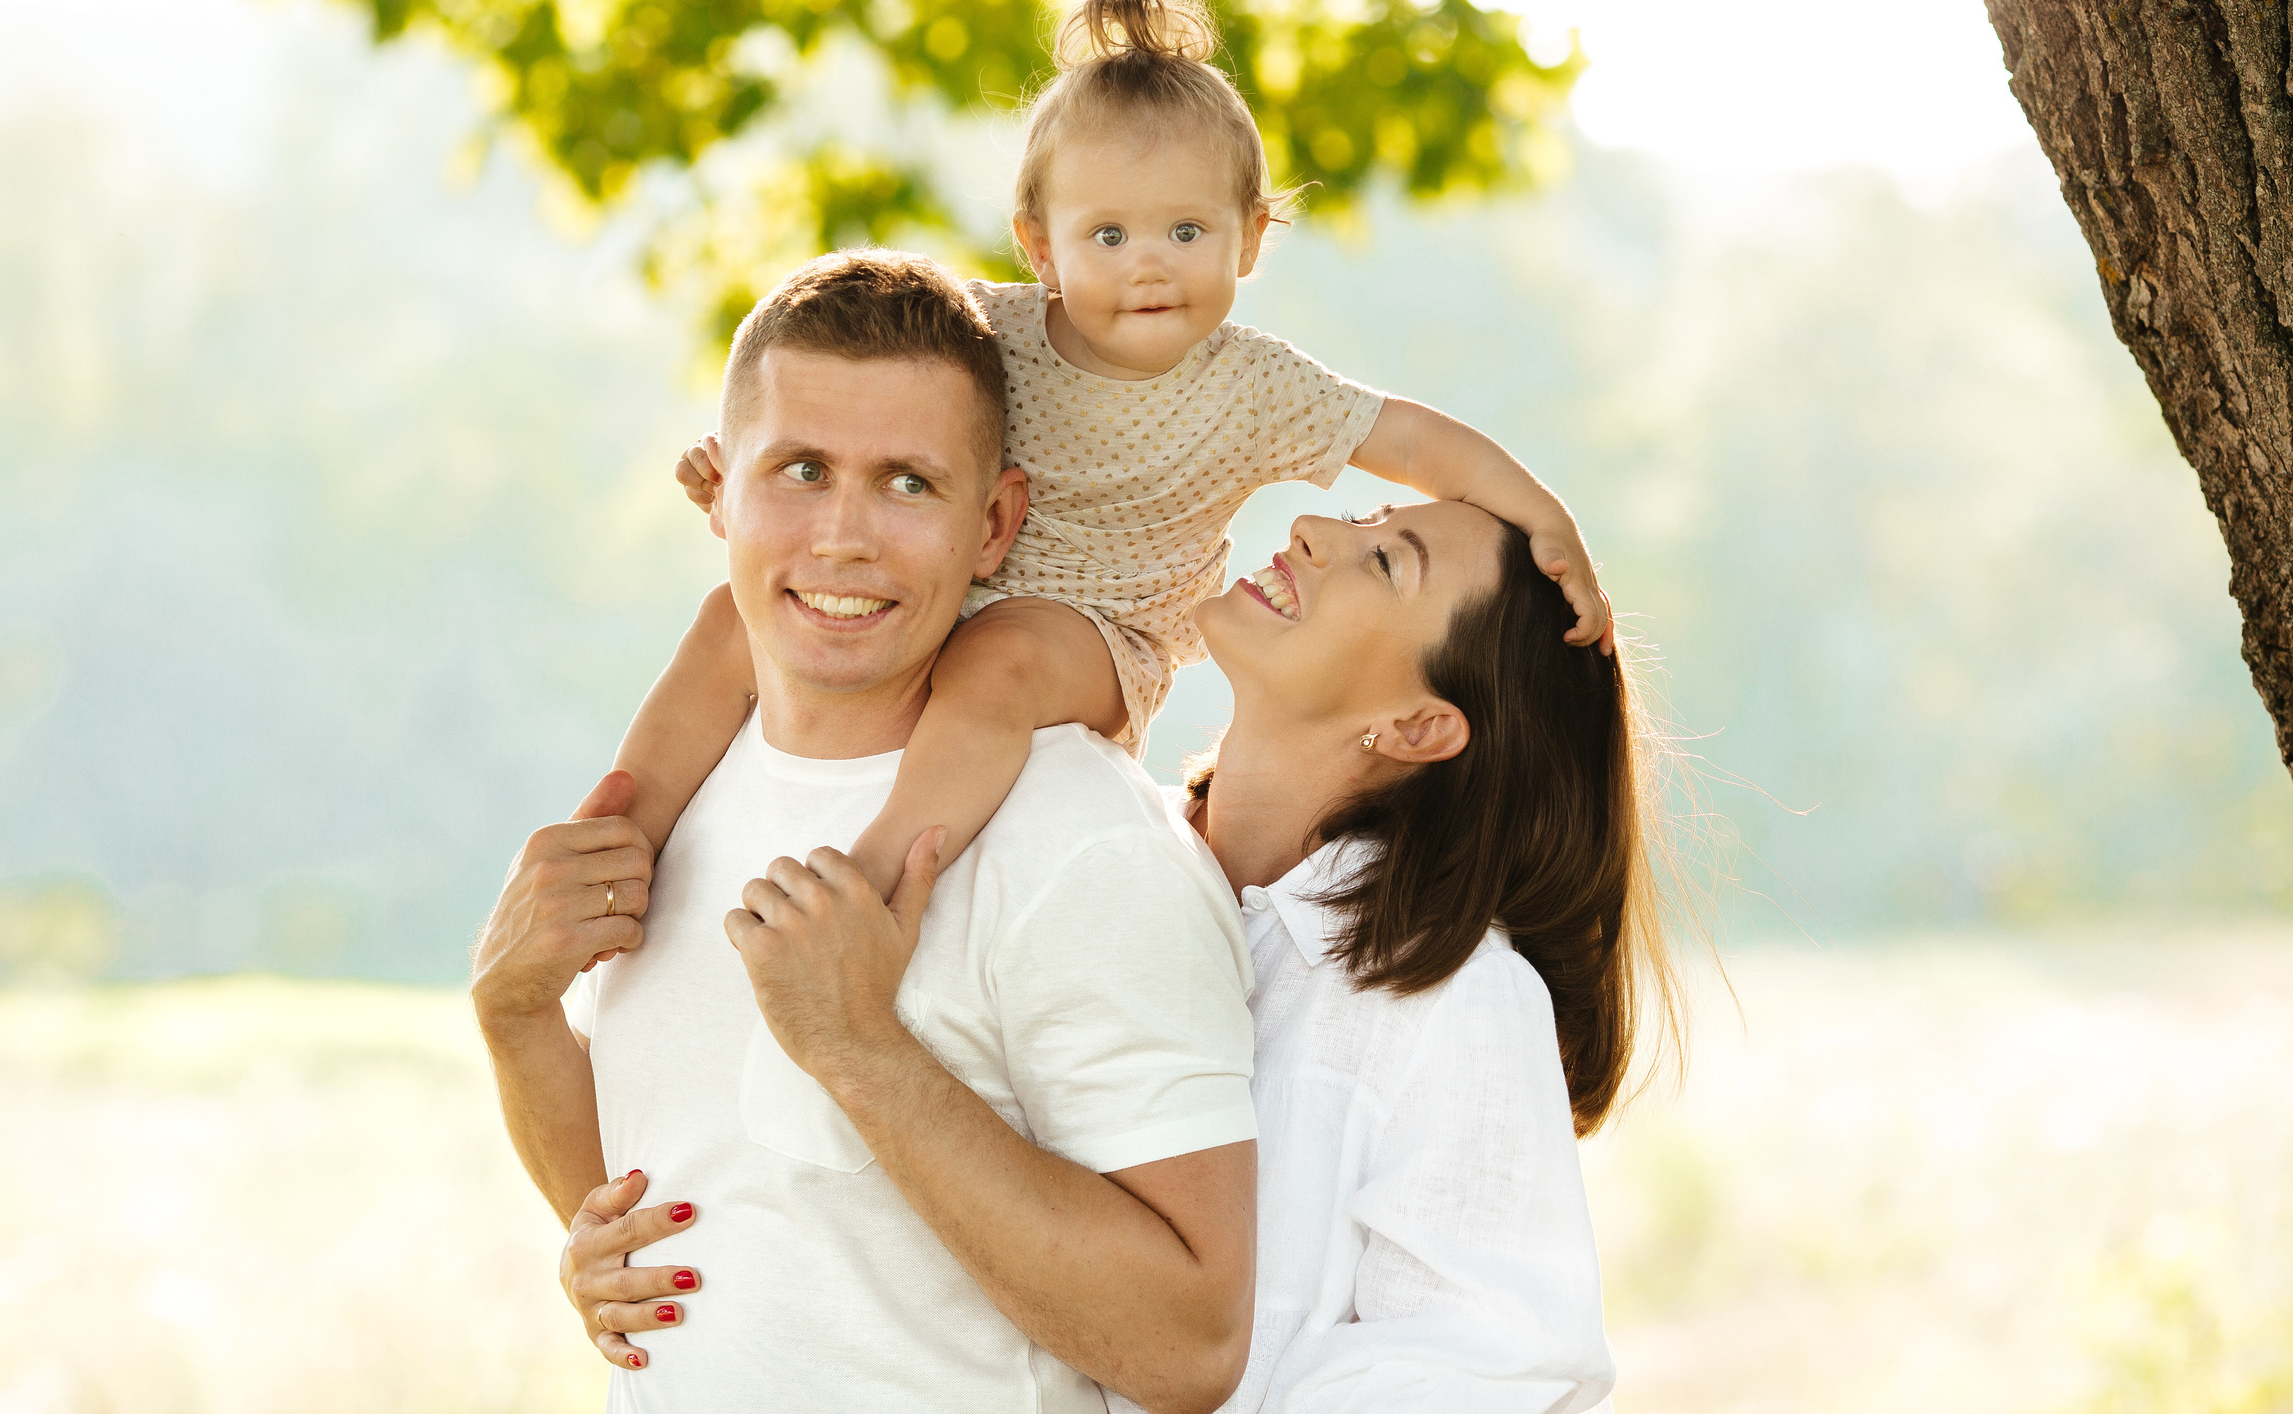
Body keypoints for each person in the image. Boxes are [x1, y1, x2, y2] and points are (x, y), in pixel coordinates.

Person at [618, 0, 1613, 918]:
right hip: (948, 590)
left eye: (1186, 233)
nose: (1148, 267)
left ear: (1250, 239)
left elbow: (1416, 442)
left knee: (998, 664)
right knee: (727, 619)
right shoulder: (988, 333)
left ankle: (884, 872)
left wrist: (1545, 517)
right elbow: (847, 415)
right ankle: (623, 828)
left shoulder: (1254, 385)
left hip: (1098, 636)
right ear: (1040, 244)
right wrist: (746, 481)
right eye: (1107, 238)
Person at [470, 250, 1264, 1414]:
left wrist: (859, 1049)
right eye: (800, 470)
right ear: (721, 493)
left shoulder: (1081, 837)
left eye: (906, 484)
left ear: (994, 524)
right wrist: (514, 1013)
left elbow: (1193, 1348)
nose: (844, 537)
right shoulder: (688, 794)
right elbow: (674, 1192)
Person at [686, 497, 1668, 1412]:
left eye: (1385, 561)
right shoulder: (1068, 842)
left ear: (1415, 726)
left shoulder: (1446, 1002)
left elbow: (1489, 1374)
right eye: (1361, 515)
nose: (1316, 528)